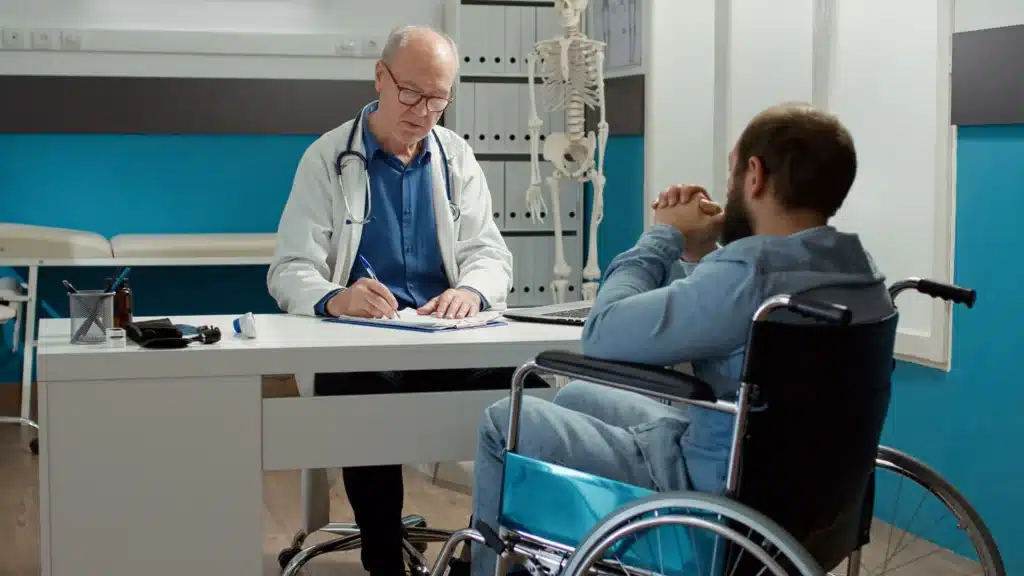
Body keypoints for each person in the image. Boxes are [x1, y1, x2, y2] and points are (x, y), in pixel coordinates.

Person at [464, 102, 896, 576]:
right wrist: (701, 252)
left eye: (732, 170)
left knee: (503, 420)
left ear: (754, 175)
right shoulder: (859, 274)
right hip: (806, 502)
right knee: (583, 395)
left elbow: (603, 332)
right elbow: (720, 313)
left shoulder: (751, 277)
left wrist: (662, 236)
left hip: (706, 493)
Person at [267, 24, 542, 576]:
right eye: (411, 93)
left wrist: (469, 289)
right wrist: (336, 299)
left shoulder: (455, 157)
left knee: (527, 389)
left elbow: (491, 255)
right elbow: (290, 268)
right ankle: (383, 558)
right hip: (365, 345)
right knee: (360, 389)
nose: (422, 110)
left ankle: (492, 551)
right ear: (380, 77)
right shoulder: (327, 158)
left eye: (438, 98)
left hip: (443, 342)